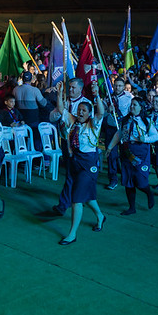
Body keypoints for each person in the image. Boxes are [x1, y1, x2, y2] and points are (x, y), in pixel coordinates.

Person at [54, 86, 106, 245]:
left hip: (89, 164)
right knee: (87, 196)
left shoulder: (94, 123)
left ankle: (72, 234)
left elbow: (101, 112)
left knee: (76, 198)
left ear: (89, 113)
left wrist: (97, 96)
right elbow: (61, 109)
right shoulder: (73, 122)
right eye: (79, 110)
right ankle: (100, 216)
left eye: (84, 110)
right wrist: (59, 94)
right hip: (75, 162)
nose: (81, 112)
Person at [47, 79, 91, 216]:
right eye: (69, 87)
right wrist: (61, 111)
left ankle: (68, 202)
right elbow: (51, 117)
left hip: (81, 146)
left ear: (80, 89)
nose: (70, 90)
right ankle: (66, 203)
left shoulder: (86, 104)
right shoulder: (64, 102)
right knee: (70, 175)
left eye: (73, 88)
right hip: (66, 143)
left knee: (76, 176)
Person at [106, 98, 158, 215]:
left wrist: (145, 139)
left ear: (141, 107)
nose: (132, 107)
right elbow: (119, 134)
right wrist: (110, 147)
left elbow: (155, 136)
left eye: (135, 105)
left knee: (140, 181)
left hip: (141, 153)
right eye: (131, 105)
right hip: (126, 152)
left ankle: (149, 193)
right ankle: (132, 207)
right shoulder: (126, 120)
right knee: (128, 181)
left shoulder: (146, 121)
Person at [104, 77, 132, 190]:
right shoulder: (108, 98)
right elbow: (102, 114)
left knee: (125, 153)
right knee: (111, 154)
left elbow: (131, 112)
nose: (117, 88)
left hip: (123, 128)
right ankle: (113, 179)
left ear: (123, 87)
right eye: (116, 85)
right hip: (111, 128)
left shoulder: (129, 97)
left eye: (120, 86)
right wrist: (108, 110)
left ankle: (126, 177)